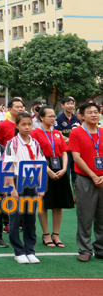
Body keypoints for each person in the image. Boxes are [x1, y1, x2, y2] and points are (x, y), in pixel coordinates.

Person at [4, 111, 43, 264]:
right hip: (16, 180)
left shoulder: (35, 143)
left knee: (30, 217)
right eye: (23, 124)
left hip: (32, 181)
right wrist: (12, 188)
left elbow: (40, 165)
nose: (27, 127)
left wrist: (40, 186)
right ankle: (18, 251)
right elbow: (8, 167)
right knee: (15, 217)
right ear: (17, 126)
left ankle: (30, 250)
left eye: (29, 124)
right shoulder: (12, 143)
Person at [67, 101, 103, 263]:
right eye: (90, 112)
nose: (94, 114)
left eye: (96, 111)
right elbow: (76, 157)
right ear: (81, 116)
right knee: (85, 216)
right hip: (85, 179)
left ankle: (100, 248)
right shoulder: (76, 133)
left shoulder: (102, 132)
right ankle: (85, 249)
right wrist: (93, 176)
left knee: (102, 216)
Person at [31, 105, 72, 248]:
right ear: (41, 117)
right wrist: (47, 170)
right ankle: (46, 234)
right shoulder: (35, 133)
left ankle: (56, 234)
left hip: (59, 167)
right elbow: (35, 154)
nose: (53, 118)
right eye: (50, 116)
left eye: (54, 116)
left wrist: (65, 168)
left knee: (58, 203)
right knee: (44, 203)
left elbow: (64, 152)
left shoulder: (58, 133)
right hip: (43, 167)